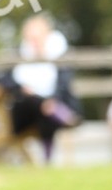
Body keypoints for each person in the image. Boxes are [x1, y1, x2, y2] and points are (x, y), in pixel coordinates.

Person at [6, 14, 80, 162]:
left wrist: (50, 100)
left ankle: (52, 110)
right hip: (24, 108)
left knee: (46, 111)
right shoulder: (18, 53)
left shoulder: (58, 53)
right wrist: (22, 88)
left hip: (47, 108)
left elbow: (63, 86)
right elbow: (6, 80)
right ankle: (56, 112)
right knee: (42, 105)